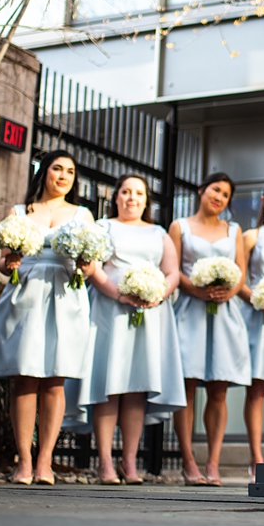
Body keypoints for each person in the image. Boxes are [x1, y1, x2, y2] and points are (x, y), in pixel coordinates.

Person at [0, 150, 95, 485]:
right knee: (24, 377)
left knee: (55, 379)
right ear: (44, 172)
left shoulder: (82, 215)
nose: (63, 176)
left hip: (65, 297)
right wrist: (11, 262)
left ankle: (45, 461)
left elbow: (91, 266)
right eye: (57, 169)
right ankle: (23, 461)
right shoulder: (20, 212)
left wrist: (84, 264)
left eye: (70, 172)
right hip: (27, 294)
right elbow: (3, 263)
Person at [79, 174, 184, 484]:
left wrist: (157, 294)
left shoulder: (159, 233)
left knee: (137, 387)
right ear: (116, 197)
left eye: (138, 193)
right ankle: (105, 463)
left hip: (150, 314)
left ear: (145, 199)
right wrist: (119, 293)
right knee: (109, 384)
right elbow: (93, 267)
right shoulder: (102, 227)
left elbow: (172, 272)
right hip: (110, 311)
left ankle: (129, 461)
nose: (131, 198)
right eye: (125, 192)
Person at [168, 172, 250, 486]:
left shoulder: (234, 230)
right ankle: (189, 462)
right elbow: (174, 269)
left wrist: (230, 290)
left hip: (225, 314)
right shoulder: (180, 226)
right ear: (202, 190)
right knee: (186, 387)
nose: (219, 197)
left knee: (219, 388)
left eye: (226, 195)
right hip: (191, 310)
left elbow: (240, 270)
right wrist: (195, 289)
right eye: (216, 190)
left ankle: (213, 463)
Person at [240, 181, 264, 469]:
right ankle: (255, 459)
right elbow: (239, 279)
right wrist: (260, 300)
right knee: (256, 389)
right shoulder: (251, 236)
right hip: (257, 316)